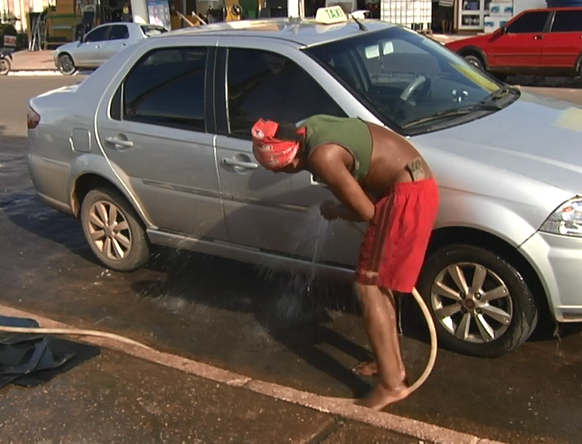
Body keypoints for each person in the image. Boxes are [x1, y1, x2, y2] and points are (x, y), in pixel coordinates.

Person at [251, 115, 439, 411]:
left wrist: (335, 209)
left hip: (407, 197)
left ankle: (392, 385)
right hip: (409, 185)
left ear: (288, 161)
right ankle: (390, 364)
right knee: (377, 283)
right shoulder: (308, 127)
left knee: (368, 287)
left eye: (284, 170)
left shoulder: (322, 157)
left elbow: (365, 211)